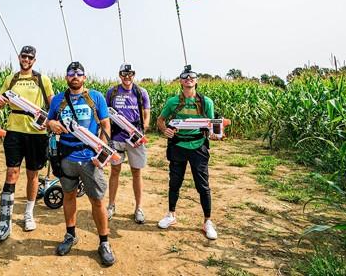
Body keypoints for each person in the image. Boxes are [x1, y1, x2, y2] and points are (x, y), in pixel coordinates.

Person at [47, 61, 116, 266]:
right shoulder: (58, 100)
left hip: (90, 158)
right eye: (71, 73)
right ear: (66, 77)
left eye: (79, 74)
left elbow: (105, 124)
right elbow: (49, 121)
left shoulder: (95, 97)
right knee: (69, 195)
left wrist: (102, 150)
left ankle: (104, 242)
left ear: (84, 77)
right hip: (66, 156)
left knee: (97, 200)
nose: (75, 77)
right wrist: (52, 124)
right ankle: (70, 235)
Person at [0, 45, 54, 241]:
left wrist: (50, 123)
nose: (26, 59)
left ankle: (28, 214)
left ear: (34, 60)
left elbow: (52, 105)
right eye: (23, 56)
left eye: (30, 57)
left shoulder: (42, 79)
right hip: (14, 131)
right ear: (19, 57)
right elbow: (0, 102)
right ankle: (5, 219)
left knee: (33, 174)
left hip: (36, 132)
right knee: (12, 172)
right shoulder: (11, 79)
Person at [155, 65, 218, 240]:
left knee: (202, 185)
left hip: (198, 147)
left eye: (192, 76)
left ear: (196, 80)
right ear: (181, 81)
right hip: (177, 146)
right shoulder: (172, 102)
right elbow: (160, 120)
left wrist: (215, 134)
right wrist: (165, 130)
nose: (189, 79)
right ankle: (171, 215)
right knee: (174, 182)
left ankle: (207, 222)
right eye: (185, 76)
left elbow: (211, 125)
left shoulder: (207, 102)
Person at [104, 63, 151, 224]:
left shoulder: (141, 92)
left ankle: (138, 208)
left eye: (130, 74)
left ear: (134, 74)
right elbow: (105, 114)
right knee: (115, 171)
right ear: (119, 75)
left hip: (135, 138)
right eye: (124, 74)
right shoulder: (112, 92)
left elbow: (147, 113)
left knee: (136, 172)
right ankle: (111, 206)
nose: (127, 77)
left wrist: (142, 129)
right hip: (117, 138)